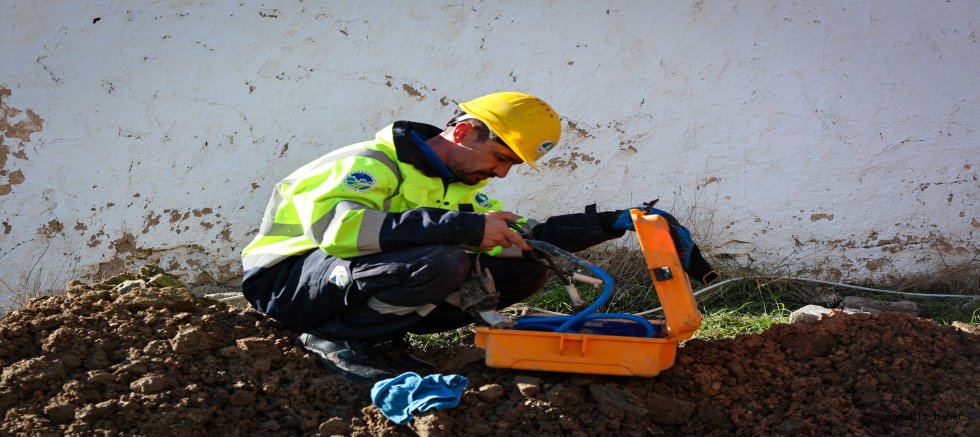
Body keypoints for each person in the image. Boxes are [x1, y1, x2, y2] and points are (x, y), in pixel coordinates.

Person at [239, 92, 701, 383]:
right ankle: (335, 339)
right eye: (501, 156)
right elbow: (341, 232)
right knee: (441, 259)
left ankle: (382, 337)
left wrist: (612, 221)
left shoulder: (459, 189)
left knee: (524, 265)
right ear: (462, 131)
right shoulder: (368, 164)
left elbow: (529, 236)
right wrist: (465, 228)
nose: (500, 172)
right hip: (287, 283)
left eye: (511, 166)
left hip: (344, 281)